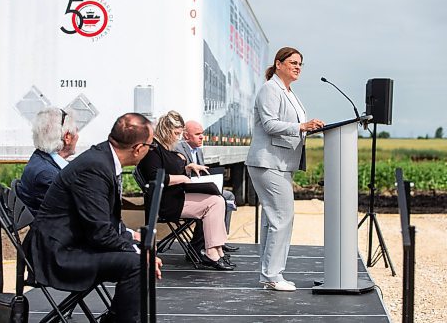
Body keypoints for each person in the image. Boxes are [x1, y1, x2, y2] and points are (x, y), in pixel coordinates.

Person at [28, 113, 162, 323]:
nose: (150, 150)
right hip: (59, 254)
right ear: (138, 148)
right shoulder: (95, 168)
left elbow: (105, 223)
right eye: (151, 146)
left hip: (73, 244)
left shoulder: (103, 159)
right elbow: (100, 233)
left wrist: (132, 240)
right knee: (137, 265)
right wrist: (138, 251)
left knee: (138, 258)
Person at [246, 47, 324, 292]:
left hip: (280, 162)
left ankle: (269, 274)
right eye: (293, 62)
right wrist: (301, 126)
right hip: (267, 161)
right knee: (283, 217)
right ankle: (272, 275)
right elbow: (269, 124)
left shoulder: (290, 92)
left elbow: (291, 124)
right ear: (278, 64)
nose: (298, 66)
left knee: (274, 219)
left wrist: (308, 127)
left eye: (300, 63)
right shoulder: (271, 89)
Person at [136, 110, 235, 271]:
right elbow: (156, 177)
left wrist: (187, 168)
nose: (178, 137)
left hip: (176, 196)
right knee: (215, 202)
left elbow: (169, 169)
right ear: (166, 130)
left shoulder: (164, 148)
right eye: (176, 133)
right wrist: (183, 178)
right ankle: (212, 252)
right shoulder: (153, 150)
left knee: (218, 199)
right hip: (166, 203)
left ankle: (216, 249)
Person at [174, 120, 239, 255]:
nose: (202, 137)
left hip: (199, 188)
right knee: (215, 201)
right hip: (184, 192)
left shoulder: (198, 151)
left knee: (228, 196)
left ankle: (220, 240)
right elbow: (177, 173)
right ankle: (200, 246)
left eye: (202, 133)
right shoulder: (178, 149)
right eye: (197, 134)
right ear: (186, 136)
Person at [18, 107, 79, 216]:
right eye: (76, 131)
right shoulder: (47, 174)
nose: (77, 136)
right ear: (67, 137)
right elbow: (70, 214)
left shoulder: (39, 158)